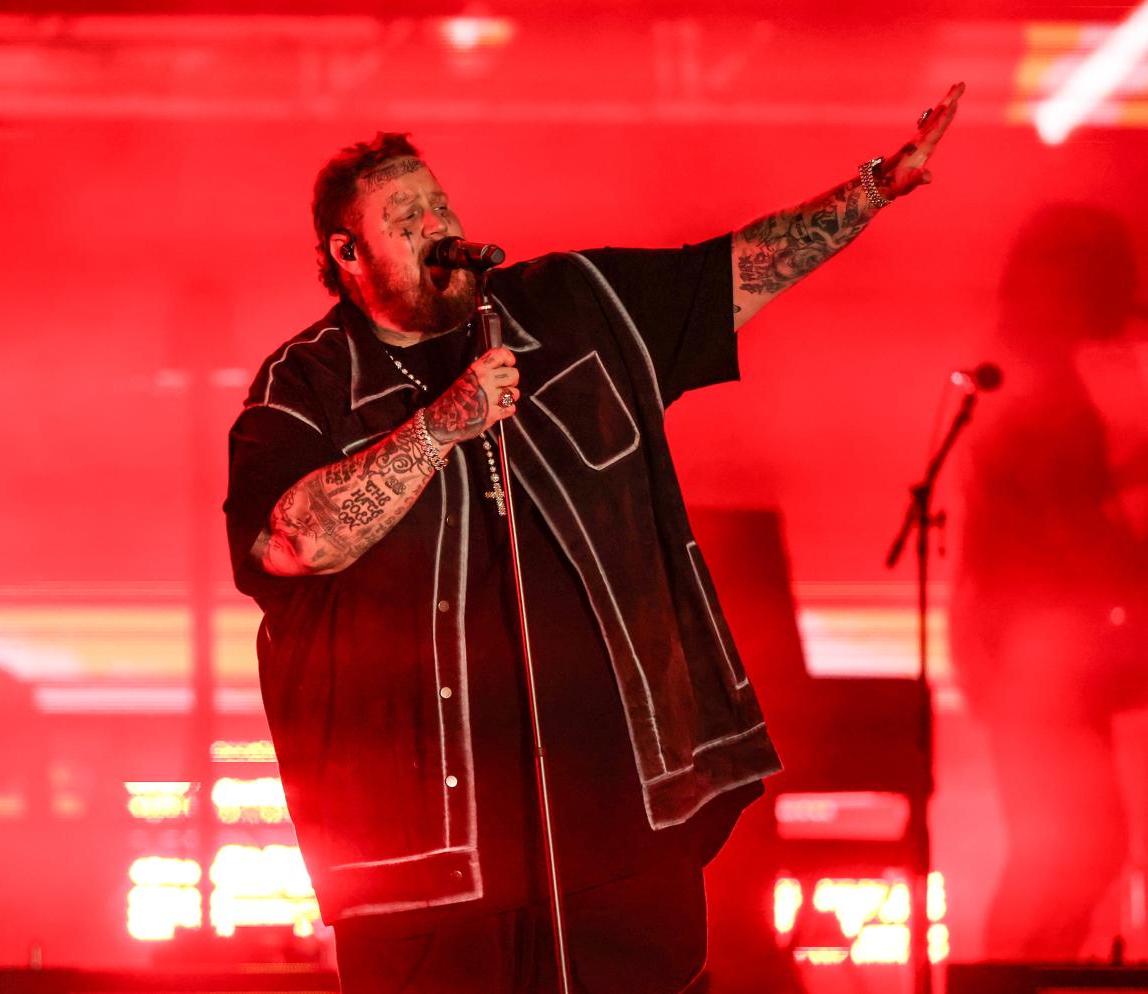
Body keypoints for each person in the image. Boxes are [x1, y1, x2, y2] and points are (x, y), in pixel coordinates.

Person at [224, 84, 963, 994]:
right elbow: (291, 545)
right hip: (422, 854)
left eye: (441, 203)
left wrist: (873, 190)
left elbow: (733, 275)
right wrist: (439, 425)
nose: (438, 222)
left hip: (618, 819)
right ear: (348, 252)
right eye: (407, 215)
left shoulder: (571, 306)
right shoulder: (303, 386)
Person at [949, 203, 1148, 960]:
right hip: (1041, 656)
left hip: (1034, 652)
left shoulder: (1029, 373)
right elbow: (1068, 532)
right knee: (1075, 851)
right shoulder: (1042, 388)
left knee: (1074, 852)